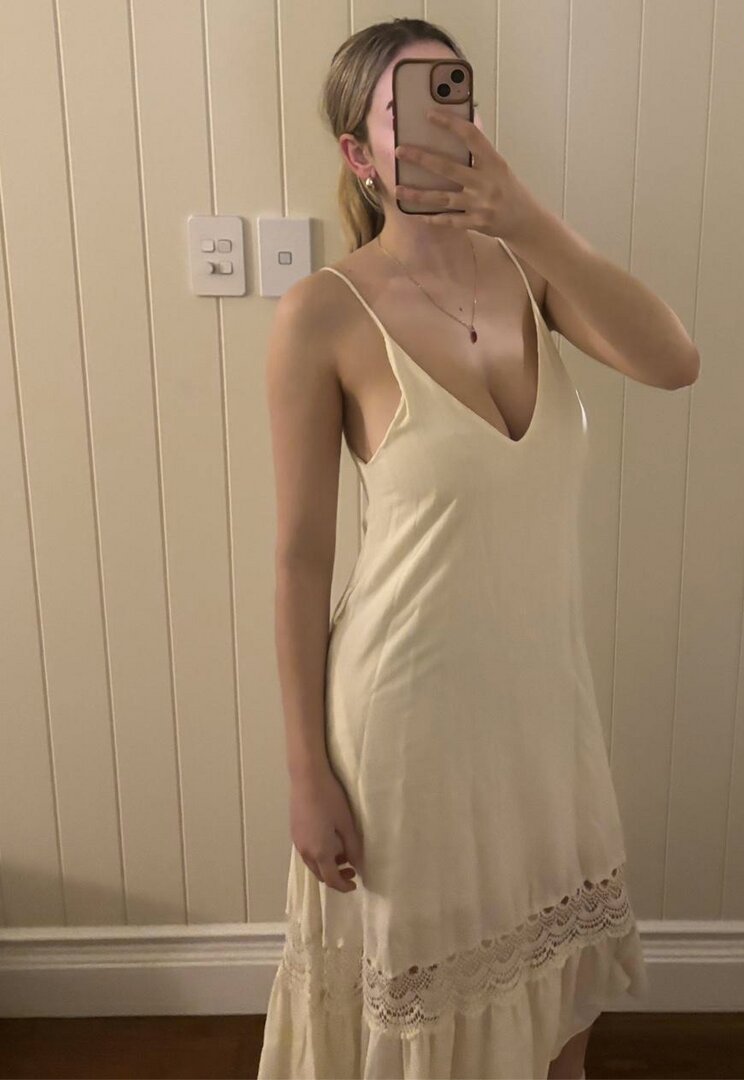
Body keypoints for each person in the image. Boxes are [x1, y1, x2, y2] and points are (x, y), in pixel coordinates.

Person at [257, 16, 698, 1080]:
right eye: (406, 109)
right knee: (425, 1022)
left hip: (543, 715)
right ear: (359, 154)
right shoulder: (323, 314)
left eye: (454, 95)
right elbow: (300, 559)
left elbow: (673, 360)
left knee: (558, 1014)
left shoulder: (529, 274)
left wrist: (529, 220)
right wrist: (306, 772)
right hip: (402, 726)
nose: (443, 125)